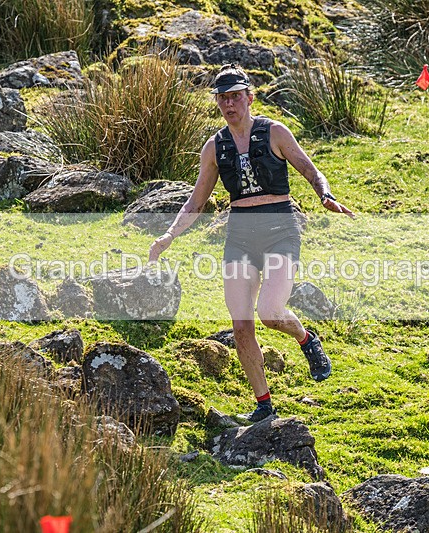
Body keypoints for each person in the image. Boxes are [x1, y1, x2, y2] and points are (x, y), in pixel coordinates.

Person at [149, 64, 355, 423]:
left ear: (249, 97)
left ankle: (306, 339)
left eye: (235, 97)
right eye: (223, 99)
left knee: (270, 312)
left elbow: (310, 169)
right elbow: (196, 201)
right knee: (241, 325)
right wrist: (169, 235)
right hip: (240, 234)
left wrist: (325, 195)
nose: (230, 104)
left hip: (279, 228)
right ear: (218, 102)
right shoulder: (214, 148)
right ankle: (263, 405)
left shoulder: (275, 132)